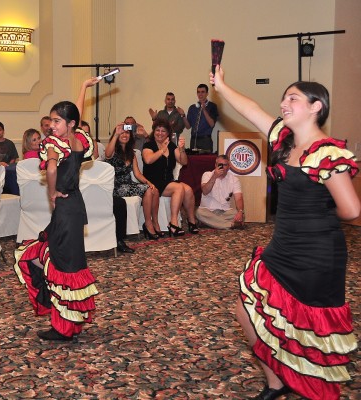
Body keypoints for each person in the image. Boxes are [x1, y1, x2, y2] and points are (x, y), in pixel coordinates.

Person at [212, 65, 360, 400]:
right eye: (284, 98)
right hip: (283, 246)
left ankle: (315, 388)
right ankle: (276, 382)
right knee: (246, 309)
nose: (283, 103)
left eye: (293, 98)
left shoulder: (326, 152)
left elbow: (351, 210)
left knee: (311, 329)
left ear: (316, 106)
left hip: (317, 254)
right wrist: (221, 86)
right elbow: (251, 109)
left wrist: (317, 212)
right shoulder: (285, 139)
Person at [14, 100, 99, 342]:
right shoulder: (77, 139)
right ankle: (70, 323)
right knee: (68, 262)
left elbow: (51, 169)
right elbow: (75, 113)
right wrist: (84, 87)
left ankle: (62, 328)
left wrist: (52, 193)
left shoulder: (54, 144)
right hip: (75, 207)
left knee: (61, 265)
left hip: (64, 209)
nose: (52, 125)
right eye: (51, 120)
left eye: (57, 121)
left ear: (69, 123)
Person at [105, 123, 160, 250]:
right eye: (122, 133)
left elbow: (137, 174)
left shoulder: (131, 153)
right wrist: (116, 134)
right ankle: (148, 224)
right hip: (116, 186)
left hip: (128, 184)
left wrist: (148, 182)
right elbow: (107, 154)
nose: (124, 135)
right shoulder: (113, 150)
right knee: (147, 190)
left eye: (127, 133)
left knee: (154, 190)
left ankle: (153, 222)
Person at [142, 119, 198, 236]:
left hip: (167, 181)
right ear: (153, 131)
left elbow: (184, 162)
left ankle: (191, 221)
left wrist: (182, 149)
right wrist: (162, 150)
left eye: (163, 131)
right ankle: (173, 222)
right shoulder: (148, 145)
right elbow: (148, 160)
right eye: (157, 130)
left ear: (168, 133)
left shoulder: (171, 146)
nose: (160, 133)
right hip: (153, 182)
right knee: (178, 187)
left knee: (188, 189)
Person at [196, 155, 244, 230]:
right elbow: (205, 191)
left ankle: (210, 223)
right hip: (208, 210)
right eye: (220, 165)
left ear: (229, 167)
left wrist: (240, 211)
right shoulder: (207, 175)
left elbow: (238, 198)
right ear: (215, 165)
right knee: (199, 213)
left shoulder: (234, 179)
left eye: (225, 165)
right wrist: (214, 176)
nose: (222, 167)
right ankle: (231, 225)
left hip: (225, 212)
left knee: (240, 215)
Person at [184, 84, 219, 152]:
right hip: (194, 140)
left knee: (206, 158)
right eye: (198, 92)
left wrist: (204, 110)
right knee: (193, 158)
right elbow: (188, 127)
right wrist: (183, 115)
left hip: (205, 140)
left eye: (203, 92)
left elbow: (212, 124)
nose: (200, 94)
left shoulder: (212, 106)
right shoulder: (192, 108)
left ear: (207, 93)